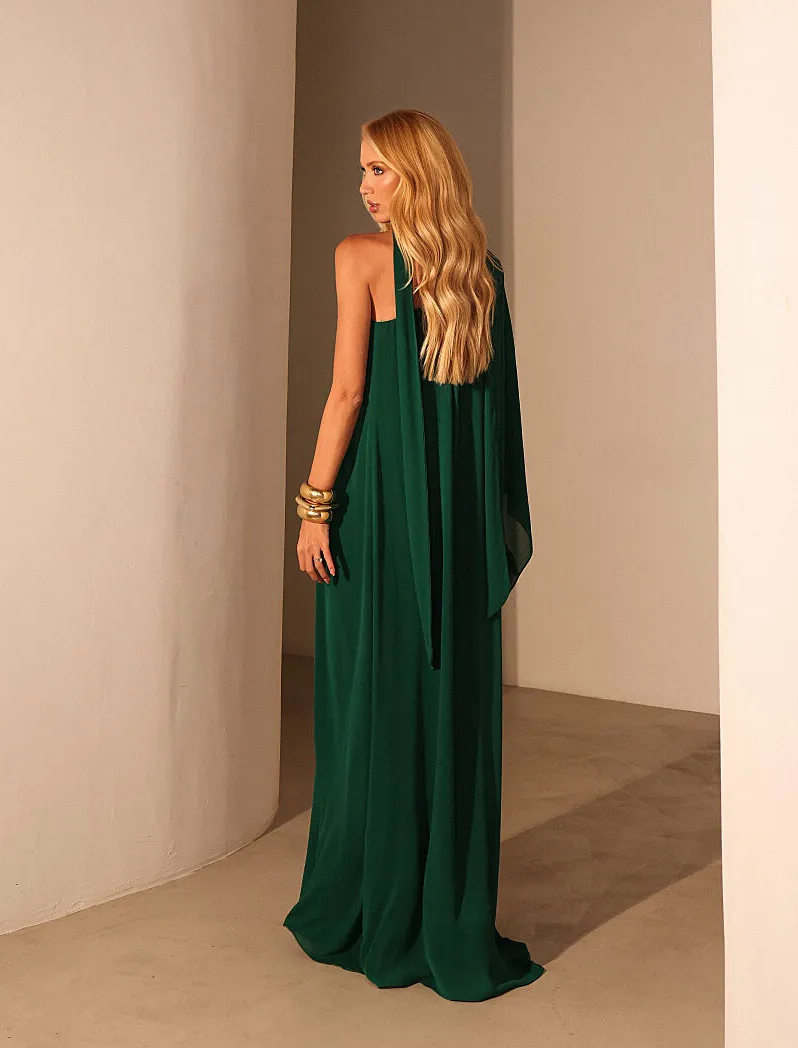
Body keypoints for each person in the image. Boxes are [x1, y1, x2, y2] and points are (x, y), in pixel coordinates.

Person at [283, 108, 543, 1001]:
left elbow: (347, 394)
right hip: (453, 533)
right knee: (439, 704)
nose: (364, 186)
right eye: (363, 169)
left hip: (377, 517)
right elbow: (486, 429)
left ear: (418, 174)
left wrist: (315, 507)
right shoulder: (481, 275)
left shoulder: (359, 259)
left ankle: (367, 903)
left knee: (367, 702)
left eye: (380, 169)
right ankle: (442, 908)